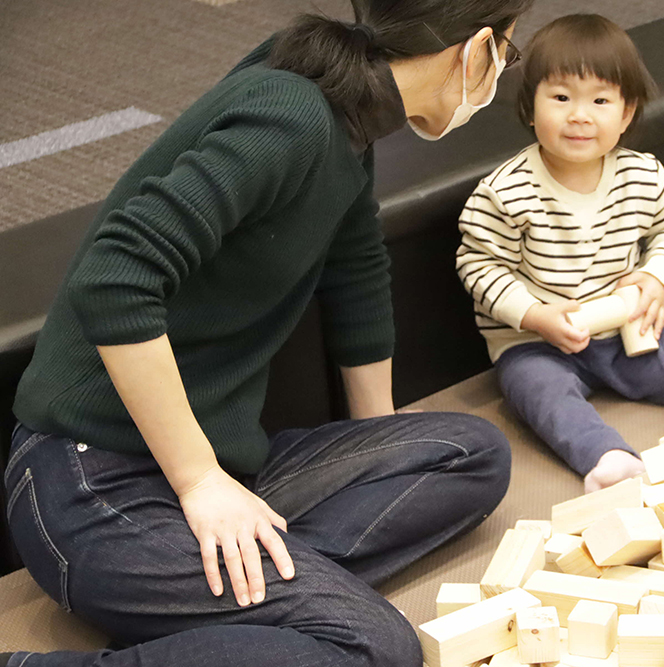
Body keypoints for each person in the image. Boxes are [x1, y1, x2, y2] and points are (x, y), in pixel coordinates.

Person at [4, 1, 532, 666]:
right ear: (476, 48)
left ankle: (220, 610)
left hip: (228, 468)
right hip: (91, 479)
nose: (500, 70)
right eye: (507, 53)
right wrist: (197, 481)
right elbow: (115, 274)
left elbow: (356, 269)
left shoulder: (349, 115)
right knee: (377, 645)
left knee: (472, 451)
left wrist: (377, 432)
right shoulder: (292, 116)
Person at [456, 14, 664, 494]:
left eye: (600, 100)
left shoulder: (641, 175)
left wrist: (656, 279)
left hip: (621, 329)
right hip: (534, 343)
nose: (580, 115)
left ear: (627, 112)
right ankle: (606, 456)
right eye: (560, 98)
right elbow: (479, 264)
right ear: (530, 108)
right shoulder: (506, 192)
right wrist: (534, 315)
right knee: (541, 396)